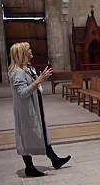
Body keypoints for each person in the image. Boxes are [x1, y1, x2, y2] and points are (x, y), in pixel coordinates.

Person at [8, 42, 70, 177]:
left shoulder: (27, 68)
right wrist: (38, 80)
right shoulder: (17, 72)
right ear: (23, 53)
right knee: (25, 137)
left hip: (35, 107)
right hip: (26, 111)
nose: (31, 50)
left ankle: (55, 160)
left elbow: (34, 86)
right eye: (28, 49)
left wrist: (39, 79)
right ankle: (29, 167)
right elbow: (22, 93)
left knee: (41, 131)